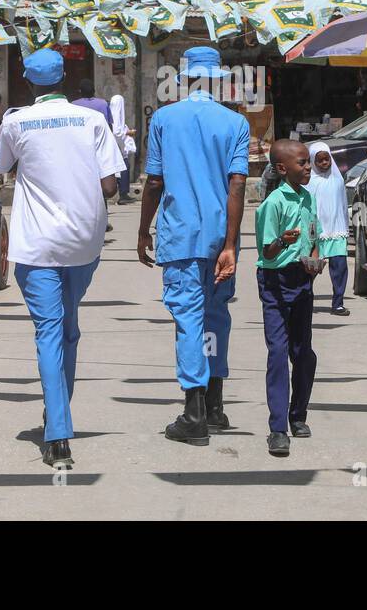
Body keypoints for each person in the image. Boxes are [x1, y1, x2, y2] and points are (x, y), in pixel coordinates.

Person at [0, 49, 126, 469]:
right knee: (68, 329)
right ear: (64, 77)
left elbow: (5, 168)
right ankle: (58, 414)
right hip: (84, 243)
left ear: (28, 82)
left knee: (50, 334)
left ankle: (58, 434)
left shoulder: (13, 121)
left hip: (37, 244)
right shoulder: (92, 120)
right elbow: (110, 186)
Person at [138, 46, 250, 447]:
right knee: (215, 318)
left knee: (188, 319)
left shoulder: (165, 119)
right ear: (218, 79)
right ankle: (216, 404)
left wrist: (142, 231)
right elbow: (238, 184)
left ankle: (194, 412)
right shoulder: (236, 122)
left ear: (183, 78)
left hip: (181, 239)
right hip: (221, 238)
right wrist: (232, 244)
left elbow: (154, 181)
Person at [255, 140, 322, 457]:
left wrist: (314, 257)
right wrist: (283, 240)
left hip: (302, 279)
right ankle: (278, 427)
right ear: (282, 169)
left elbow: (313, 234)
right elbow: (266, 252)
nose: (308, 167)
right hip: (276, 281)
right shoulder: (273, 204)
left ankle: (299, 415)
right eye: (302, 163)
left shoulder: (308, 198)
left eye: (308, 162)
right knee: (279, 353)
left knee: (303, 352)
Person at [305, 141, 351, 317]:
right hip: (316, 232)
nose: (325, 163)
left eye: (327, 159)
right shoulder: (309, 182)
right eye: (320, 161)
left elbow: (343, 204)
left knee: (339, 268)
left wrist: (345, 227)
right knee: (311, 270)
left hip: (337, 231)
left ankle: (338, 303)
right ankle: (304, 301)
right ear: (313, 161)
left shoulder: (337, 179)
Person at [109, 92, 137, 204]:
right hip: (117, 146)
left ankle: (122, 194)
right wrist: (129, 132)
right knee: (124, 167)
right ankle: (123, 194)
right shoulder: (116, 115)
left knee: (120, 168)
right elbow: (117, 131)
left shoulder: (110, 113)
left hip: (116, 146)